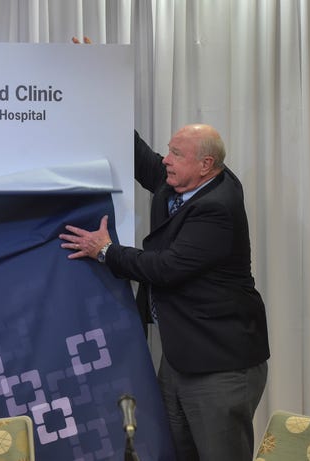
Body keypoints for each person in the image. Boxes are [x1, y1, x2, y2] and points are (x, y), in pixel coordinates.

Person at [59, 124, 270, 461]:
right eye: (169, 150)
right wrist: (103, 107)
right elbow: (144, 160)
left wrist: (106, 251)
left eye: (176, 154)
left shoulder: (216, 207)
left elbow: (165, 268)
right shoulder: (186, 180)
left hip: (220, 363)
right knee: (176, 452)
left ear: (206, 164)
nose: (166, 160)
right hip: (181, 356)